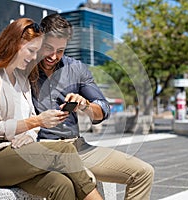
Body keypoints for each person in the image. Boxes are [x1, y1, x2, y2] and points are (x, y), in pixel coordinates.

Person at [0, 18, 103, 200]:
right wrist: (36, 122)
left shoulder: (22, 78)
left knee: (61, 185)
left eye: (36, 52)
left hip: (18, 155)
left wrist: (29, 133)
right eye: (31, 51)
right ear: (12, 44)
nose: (34, 57)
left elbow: (31, 119)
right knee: (63, 150)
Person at [31, 13, 155, 200]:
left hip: (76, 146)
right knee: (85, 182)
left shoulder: (77, 69)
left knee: (144, 173)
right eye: (48, 48)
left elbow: (102, 109)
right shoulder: (25, 67)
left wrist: (85, 105)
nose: (53, 56)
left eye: (61, 50)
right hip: (41, 149)